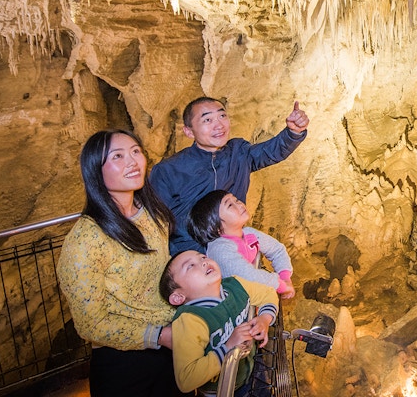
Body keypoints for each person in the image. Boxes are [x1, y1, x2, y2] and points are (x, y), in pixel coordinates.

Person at [57, 129, 191, 397]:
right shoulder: (86, 240)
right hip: (126, 362)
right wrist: (160, 336)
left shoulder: (151, 213)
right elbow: (90, 324)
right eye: (118, 156)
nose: (133, 161)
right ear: (96, 170)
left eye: (135, 152)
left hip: (171, 343)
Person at [149, 97, 309, 254]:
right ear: (189, 132)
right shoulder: (168, 170)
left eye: (222, 116)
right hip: (192, 261)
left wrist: (293, 132)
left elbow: (270, 152)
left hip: (234, 250)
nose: (218, 125)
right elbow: (155, 225)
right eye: (207, 120)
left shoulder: (238, 152)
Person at [159, 250, 279, 396]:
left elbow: (268, 293)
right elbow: (186, 379)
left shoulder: (236, 285)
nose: (204, 262)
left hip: (252, 369)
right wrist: (228, 348)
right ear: (178, 297)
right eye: (190, 266)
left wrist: (264, 318)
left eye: (203, 257)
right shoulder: (190, 320)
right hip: (223, 390)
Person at [188, 189, 295, 299]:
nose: (239, 204)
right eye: (230, 205)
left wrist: (285, 276)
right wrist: (281, 285)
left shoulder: (249, 233)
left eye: (236, 200)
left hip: (251, 294)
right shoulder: (220, 249)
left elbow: (277, 249)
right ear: (215, 226)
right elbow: (247, 275)